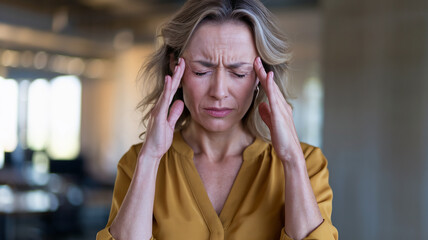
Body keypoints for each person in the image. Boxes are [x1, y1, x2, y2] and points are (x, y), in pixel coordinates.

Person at [97, 0, 338, 239]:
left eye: (239, 73)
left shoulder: (307, 165)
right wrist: (149, 160)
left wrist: (291, 160)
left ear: (261, 76)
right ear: (174, 66)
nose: (219, 91)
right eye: (202, 71)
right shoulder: (135, 164)